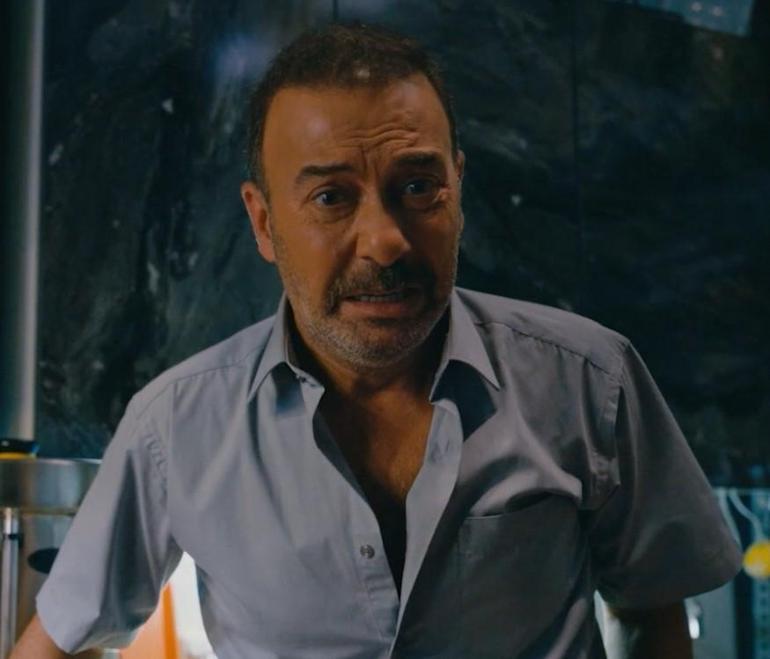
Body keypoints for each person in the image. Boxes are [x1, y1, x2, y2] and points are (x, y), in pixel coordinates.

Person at [13, 23, 741, 659]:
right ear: (263, 222)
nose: (385, 242)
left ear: (458, 188)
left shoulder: (590, 381)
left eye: (418, 187)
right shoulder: (175, 426)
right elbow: (58, 640)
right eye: (331, 197)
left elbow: (653, 608)